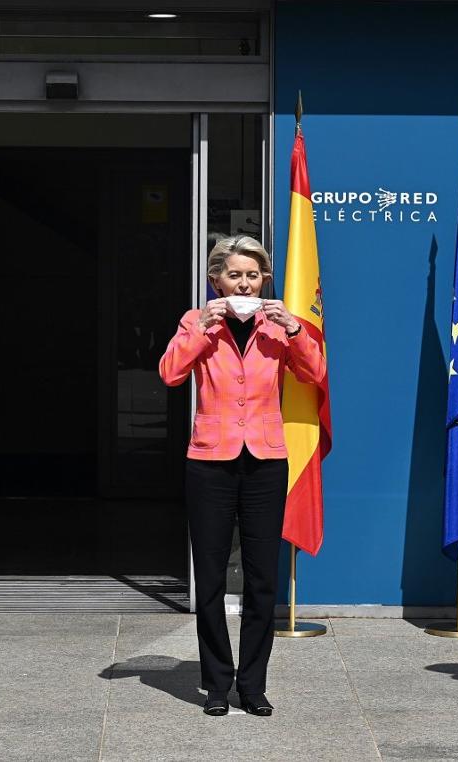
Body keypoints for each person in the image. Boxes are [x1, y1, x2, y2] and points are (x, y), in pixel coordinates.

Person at [159, 235, 327, 717]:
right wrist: (202, 329)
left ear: (264, 280)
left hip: (266, 460)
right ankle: (216, 685)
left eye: (253, 275)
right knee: (210, 578)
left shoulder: (277, 327)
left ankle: (253, 685)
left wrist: (294, 327)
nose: (245, 282)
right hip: (210, 461)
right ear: (216, 281)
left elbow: (316, 373)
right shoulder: (196, 321)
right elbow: (170, 373)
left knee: (261, 580)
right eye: (235, 274)